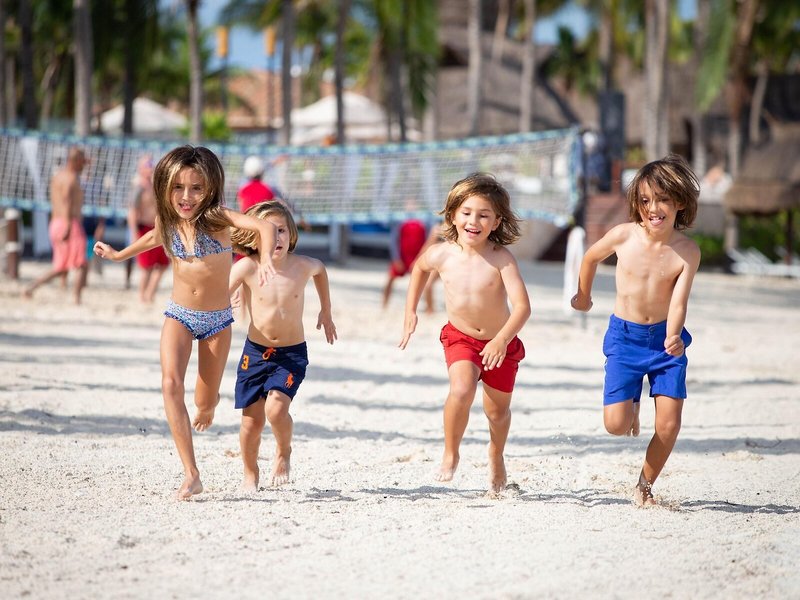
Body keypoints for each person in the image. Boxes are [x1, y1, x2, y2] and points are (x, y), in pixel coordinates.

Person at [93, 145, 277, 500]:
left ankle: (209, 403)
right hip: (179, 314)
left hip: (217, 321)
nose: (186, 196)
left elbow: (264, 226)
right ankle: (192, 473)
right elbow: (152, 237)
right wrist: (118, 255)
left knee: (203, 403)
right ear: (164, 186)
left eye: (196, 188)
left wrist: (266, 257)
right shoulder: (168, 221)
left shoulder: (218, 218)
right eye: (178, 187)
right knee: (169, 384)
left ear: (210, 188)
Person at [570, 153, 701, 507]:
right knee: (616, 425)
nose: (652, 208)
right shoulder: (623, 235)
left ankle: (644, 485)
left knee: (669, 425)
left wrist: (674, 335)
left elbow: (679, 301)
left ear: (680, 202)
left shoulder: (687, 251)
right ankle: (631, 402)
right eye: (645, 200)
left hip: (665, 344)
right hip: (625, 338)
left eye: (662, 200)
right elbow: (590, 257)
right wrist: (583, 296)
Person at [399, 173, 531, 493]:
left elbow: (523, 307)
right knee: (461, 390)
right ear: (453, 215)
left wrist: (501, 340)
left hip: (500, 343)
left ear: (496, 222)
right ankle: (450, 452)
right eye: (467, 213)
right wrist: (410, 310)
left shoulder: (501, 258)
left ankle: (496, 454)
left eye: (484, 215)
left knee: (497, 412)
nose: (474, 221)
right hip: (461, 338)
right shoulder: (442, 253)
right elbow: (419, 268)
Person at [229, 202, 337, 490]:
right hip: (255, 353)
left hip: (290, 354)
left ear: (291, 234)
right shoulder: (247, 267)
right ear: (254, 238)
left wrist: (326, 310)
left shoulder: (301, 266)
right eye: (267, 232)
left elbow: (320, 270)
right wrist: (229, 296)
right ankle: (250, 472)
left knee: (276, 410)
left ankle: (283, 450)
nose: (275, 238)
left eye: (281, 231)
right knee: (251, 422)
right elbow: (220, 294)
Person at [23, 147, 89, 304]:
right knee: (81, 263)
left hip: (55, 223)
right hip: (69, 223)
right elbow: (66, 201)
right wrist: (68, 225)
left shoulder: (57, 176)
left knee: (61, 267)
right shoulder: (71, 179)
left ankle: (31, 287)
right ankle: (77, 298)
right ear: (76, 161)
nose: (84, 165)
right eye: (83, 162)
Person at [127, 155, 169, 303]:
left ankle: (150, 294)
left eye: (151, 165)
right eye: (148, 166)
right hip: (144, 228)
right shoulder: (139, 188)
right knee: (146, 266)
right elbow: (132, 213)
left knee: (163, 264)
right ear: (141, 169)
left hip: (158, 228)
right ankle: (142, 296)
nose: (151, 168)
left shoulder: (156, 186)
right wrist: (134, 234)